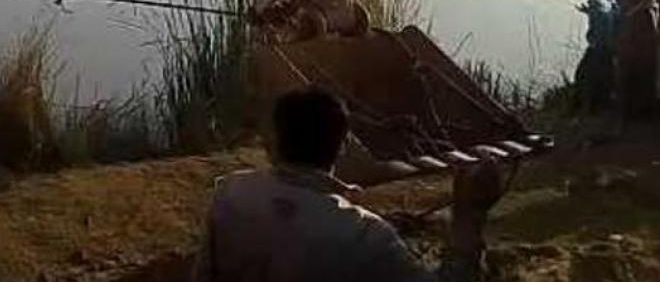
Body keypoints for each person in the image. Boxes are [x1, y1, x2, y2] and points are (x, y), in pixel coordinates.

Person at [193, 88, 507, 282]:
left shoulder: (229, 194)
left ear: (272, 141)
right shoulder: (367, 236)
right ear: (342, 145)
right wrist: (468, 217)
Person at [616, 0, 660, 122]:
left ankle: (638, 112)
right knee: (643, 81)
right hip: (644, 51)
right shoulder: (649, 8)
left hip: (639, 51)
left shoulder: (645, 11)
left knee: (639, 81)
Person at [575, 0, 616, 114]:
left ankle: (588, 108)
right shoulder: (606, 1)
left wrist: (597, 44)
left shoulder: (595, 3)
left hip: (599, 47)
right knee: (601, 77)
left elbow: (600, 26)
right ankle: (598, 106)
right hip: (606, 46)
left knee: (583, 76)